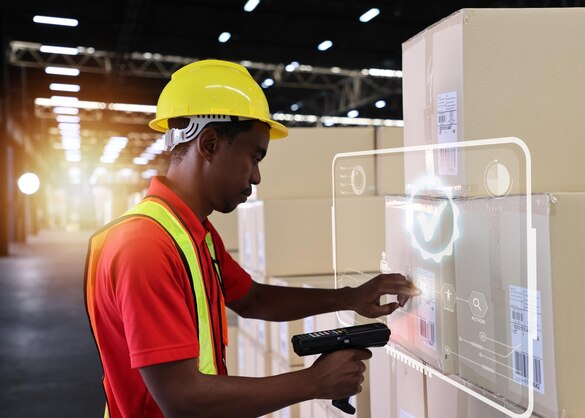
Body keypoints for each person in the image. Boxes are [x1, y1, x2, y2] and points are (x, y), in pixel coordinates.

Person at [85, 59, 418, 418]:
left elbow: (253, 299)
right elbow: (183, 399)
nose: (257, 177)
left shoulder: (191, 233)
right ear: (210, 144)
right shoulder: (146, 246)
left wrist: (350, 297)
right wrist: (314, 382)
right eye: (254, 156)